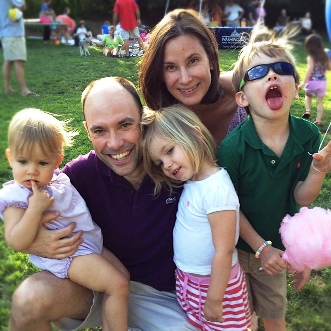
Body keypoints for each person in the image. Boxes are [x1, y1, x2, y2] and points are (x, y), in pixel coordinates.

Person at [8, 77, 200, 331]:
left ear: (143, 118)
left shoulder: (174, 164)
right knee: (29, 299)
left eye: (124, 125)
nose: (115, 143)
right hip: (96, 284)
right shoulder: (73, 178)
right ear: (88, 130)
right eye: (100, 131)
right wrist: (36, 241)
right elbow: (20, 210)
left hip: (165, 297)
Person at [218, 24, 331, 331]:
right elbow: (228, 208)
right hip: (239, 249)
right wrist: (260, 247)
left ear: (296, 86)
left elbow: (301, 197)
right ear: (242, 98)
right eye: (258, 73)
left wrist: (318, 171)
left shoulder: (307, 134)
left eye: (282, 69)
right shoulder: (232, 148)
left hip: (278, 249)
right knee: (243, 319)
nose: (272, 76)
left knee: (275, 317)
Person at [0, 108, 135, 331]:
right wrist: (35, 209)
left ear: (57, 161)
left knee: (123, 277)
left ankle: (113, 323)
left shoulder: (57, 180)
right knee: (117, 285)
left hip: (89, 243)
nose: (31, 171)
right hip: (69, 254)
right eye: (23, 161)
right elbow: (16, 240)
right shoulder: (16, 197)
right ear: (10, 157)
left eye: (42, 163)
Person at [141, 105, 252, 330]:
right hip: (191, 284)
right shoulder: (193, 181)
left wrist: (214, 298)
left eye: (170, 150)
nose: (167, 164)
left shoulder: (216, 188)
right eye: (160, 162)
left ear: (195, 134)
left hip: (217, 289)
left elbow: (225, 249)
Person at [138, 8, 247, 147]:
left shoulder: (248, 90)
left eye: (193, 61)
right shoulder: (159, 121)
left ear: (211, 59)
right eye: (170, 67)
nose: (185, 79)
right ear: (160, 74)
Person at [0, 0, 36, 96]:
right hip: (13, 33)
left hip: (6, 32)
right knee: (19, 61)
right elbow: (23, 6)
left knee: (9, 60)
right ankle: (24, 90)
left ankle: (7, 88)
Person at [300, 33, 331, 125]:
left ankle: (308, 111)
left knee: (308, 96)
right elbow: (329, 67)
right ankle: (318, 119)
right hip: (322, 83)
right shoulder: (325, 56)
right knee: (319, 101)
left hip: (312, 81)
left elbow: (310, 69)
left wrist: (304, 82)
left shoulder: (311, 57)